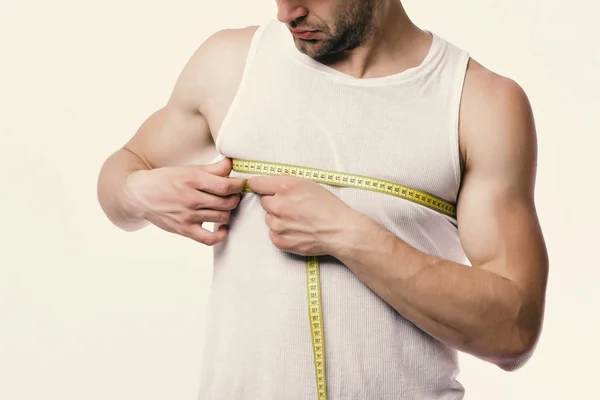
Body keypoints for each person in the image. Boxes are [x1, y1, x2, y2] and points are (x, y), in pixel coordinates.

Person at [97, 0, 549, 398]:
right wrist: (138, 192)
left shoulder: (477, 102)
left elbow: (513, 331)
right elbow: (124, 169)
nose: (285, 11)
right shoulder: (232, 64)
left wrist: (346, 233)